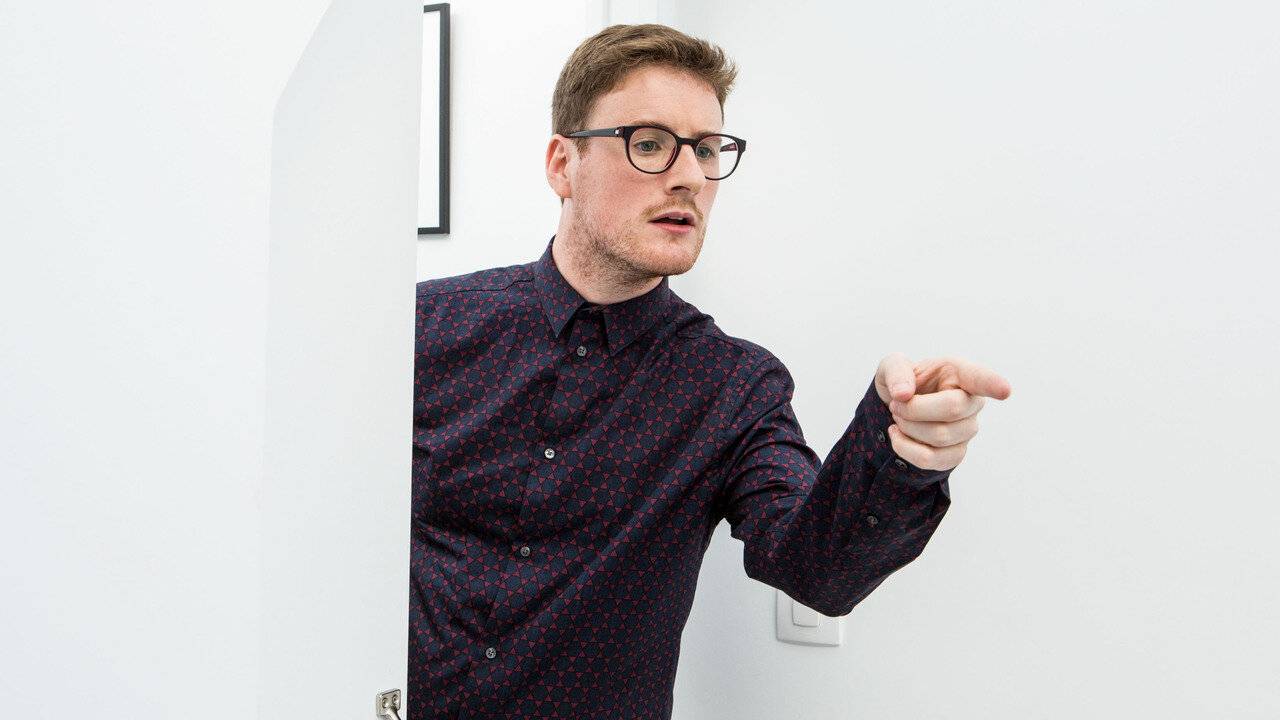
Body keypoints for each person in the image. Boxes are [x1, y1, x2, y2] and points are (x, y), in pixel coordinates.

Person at [409, 22, 1011, 720]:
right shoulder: (423, 327)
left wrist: (900, 455)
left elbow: (817, 570)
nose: (691, 176)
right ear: (562, 164)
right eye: (650, 144)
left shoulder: (735, 387)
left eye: (706, 149)